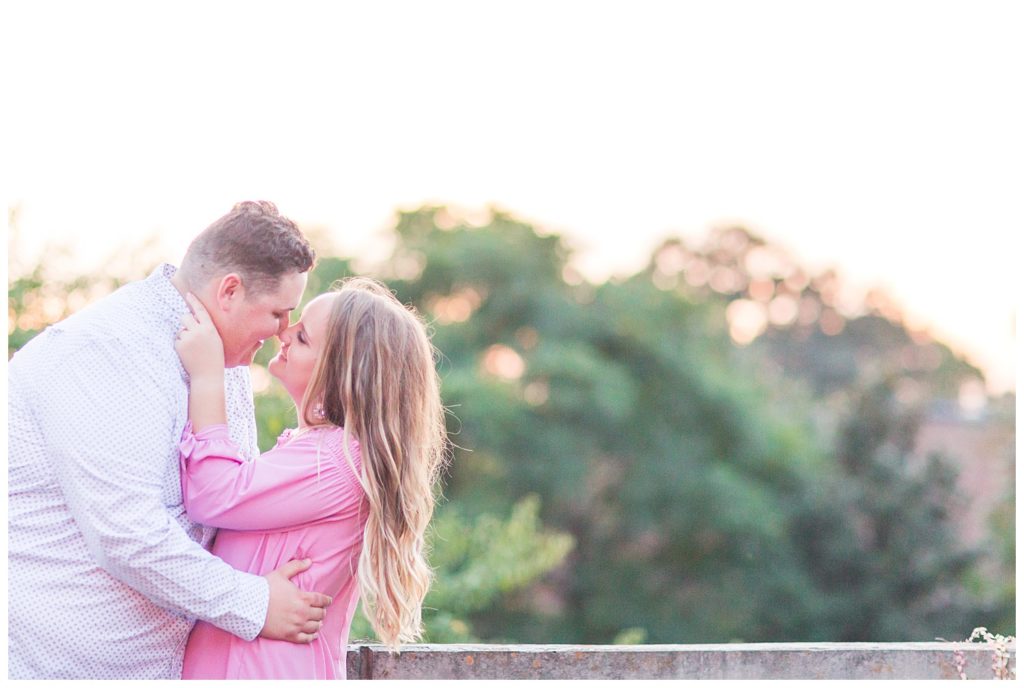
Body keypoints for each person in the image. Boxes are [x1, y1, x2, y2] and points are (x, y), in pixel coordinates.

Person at [8, 201, 333, 679]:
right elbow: (127, 533)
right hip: (63, 670)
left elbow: (224, 500)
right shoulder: (103, 350)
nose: (284, 332)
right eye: (278, 313)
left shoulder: (221, 359)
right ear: (229, 291)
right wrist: (256, 602)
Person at [173, 276, 448, 679]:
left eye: (302, 337)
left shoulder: (332, 461)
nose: (283, 332)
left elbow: (213, 494)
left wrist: (208, 376)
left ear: (340, 375)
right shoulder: (327, 453)